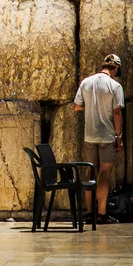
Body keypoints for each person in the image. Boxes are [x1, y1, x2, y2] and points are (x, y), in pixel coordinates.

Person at [74, 54, 124, 225]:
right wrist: (119, 137)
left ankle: (89, 214)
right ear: (115, 68)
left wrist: (91, 107)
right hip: (107, 135)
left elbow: (77, 106)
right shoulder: (115, 86)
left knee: (90, 172)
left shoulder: (86, 82)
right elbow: (117, 113)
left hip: (89, 135)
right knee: (104, 173)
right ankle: (102, 214)